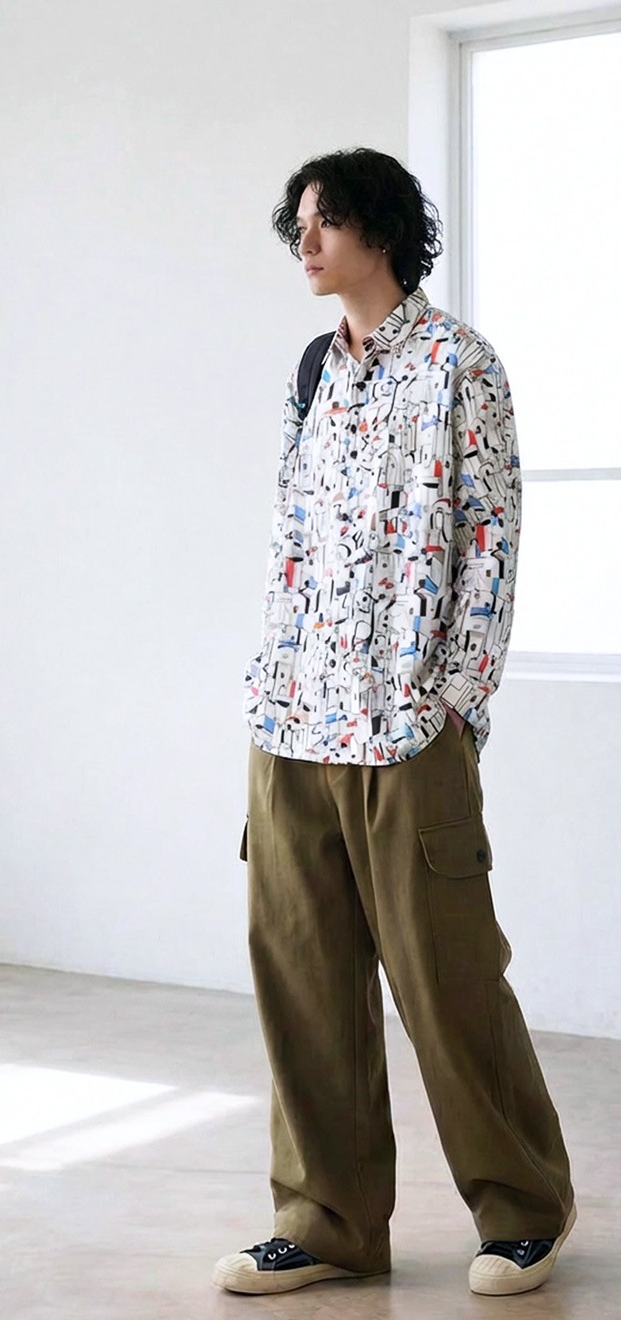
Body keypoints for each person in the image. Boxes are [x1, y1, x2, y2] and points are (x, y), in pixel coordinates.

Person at [212, 147, 575, 1299]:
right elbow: (292, 530)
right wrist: (269, 677)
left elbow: (491, 544)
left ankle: (523, 1211)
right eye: (299, 225)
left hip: (406, 728)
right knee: (304, 982)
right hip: (291, 723)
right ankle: (326, 1222)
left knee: (448, 981)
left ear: (381, 229)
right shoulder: (312, 369)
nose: (306, 243)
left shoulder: (463, 365)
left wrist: (454, 707)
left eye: (325, 221)